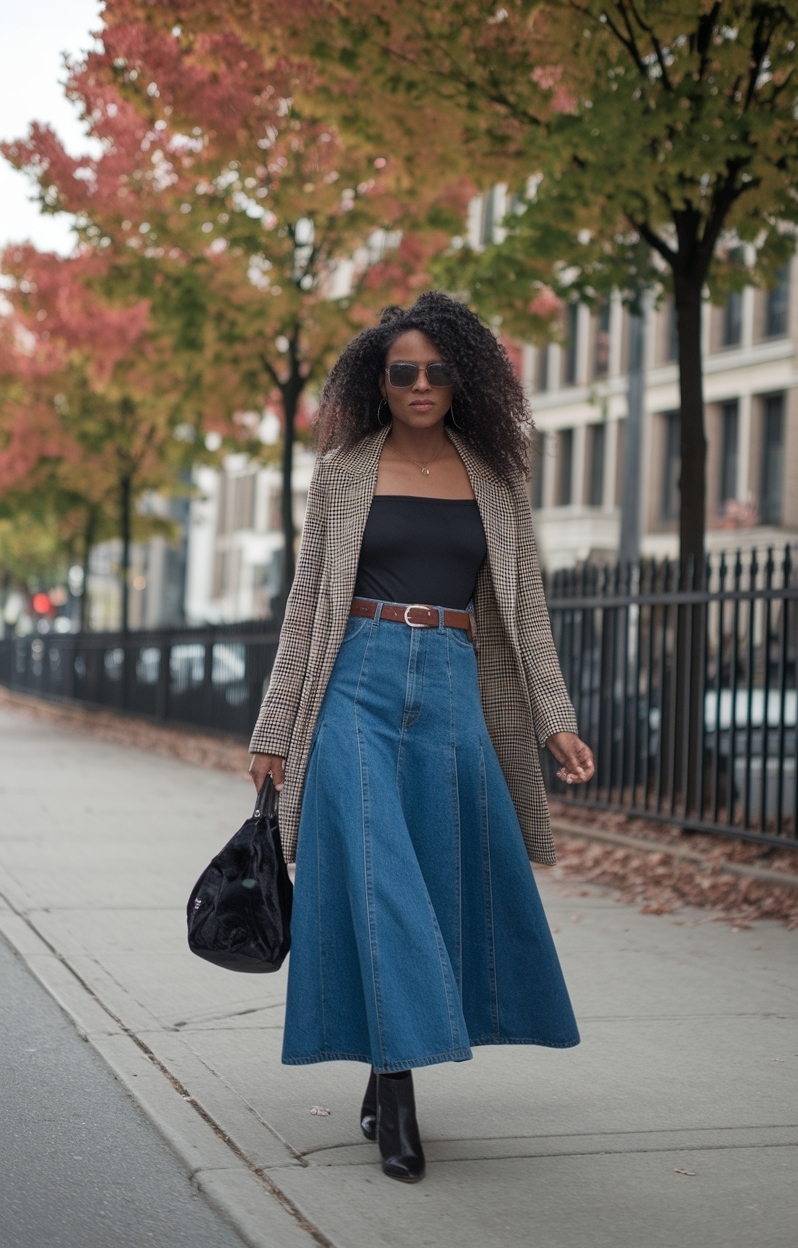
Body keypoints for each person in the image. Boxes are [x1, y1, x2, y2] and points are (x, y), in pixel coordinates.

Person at [249, 292, 595, 1183]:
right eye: (403, 370)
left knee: (432, 888)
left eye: (437, 371)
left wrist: (555, 719)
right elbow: (305, 604)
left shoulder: (497, 481)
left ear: (462, 380)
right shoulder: (342, 474)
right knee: (381, 885)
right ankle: (399, 1099)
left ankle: (384, 1068)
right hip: (355, 683)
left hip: (451, 688)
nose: (420, 385)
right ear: (379, 379)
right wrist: (275, 726)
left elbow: (527, 611)